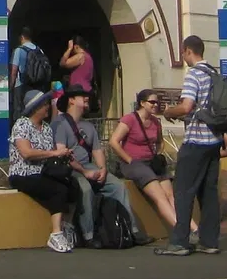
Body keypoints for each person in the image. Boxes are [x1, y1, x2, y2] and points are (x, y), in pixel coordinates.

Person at [52, 86, 152, 246]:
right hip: (70, 170)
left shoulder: (89, 126)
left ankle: (132, 231)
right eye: (82, 96)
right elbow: (62, 153)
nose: (86, 98)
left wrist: (103, 169)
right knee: (85, 188)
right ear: (71, 100)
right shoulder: (59, 124)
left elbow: (97, 151)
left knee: (119, 186)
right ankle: (89, 235)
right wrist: (85, 172)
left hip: (89, 167)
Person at [154, 35, 223, 256]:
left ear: (187, 51)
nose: (183, 57)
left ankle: (180, 242)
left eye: (183, 53)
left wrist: (167, 112)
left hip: (196, 142)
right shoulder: (215, 74)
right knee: (209, 193)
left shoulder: (194, 74)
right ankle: (209, 241)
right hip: (214, 142)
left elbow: (186, 107)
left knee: (183, 191)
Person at [7, 88, 78, 252]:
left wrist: (63, 155)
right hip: (23, 173)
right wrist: (54, 152)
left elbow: (49, 154)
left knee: (72, 185)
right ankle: (56, 234)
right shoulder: (22, 125)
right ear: (36, 107)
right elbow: (26, 153)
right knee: (57, 189)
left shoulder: (46, 128)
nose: (48, 107)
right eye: (46, 104)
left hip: (43, 171)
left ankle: (66, 225)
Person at [109, 89, 181, 232]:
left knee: (170, 195)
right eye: (152, 102)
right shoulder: (129, 119)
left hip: (151, 162)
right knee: (159, 195)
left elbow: (160, 142)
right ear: (142, 103)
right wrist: (129, 159)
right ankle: (180, 230)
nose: (155, 105)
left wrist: (157, 154)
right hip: (134, 164)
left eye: (157, 102)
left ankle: (193, 229)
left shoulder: (155, 121)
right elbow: (113, 141)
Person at [10, 28, 47, 118]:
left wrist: (10, 87)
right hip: (36, 85)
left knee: (19, 110)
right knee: (34, 109)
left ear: (22, 37)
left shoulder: (18, 50)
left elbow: (14, 71)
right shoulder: (39, 50)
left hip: (21, 85)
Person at [60, 34, 95, 101]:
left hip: (79, 91)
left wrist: (69, 49)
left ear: (76, 47)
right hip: (86, 90)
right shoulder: (88, 57)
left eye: (73, 49)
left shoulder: (81, 56)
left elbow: (62, 63)